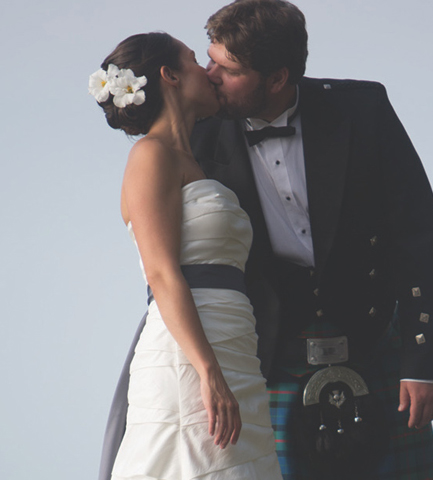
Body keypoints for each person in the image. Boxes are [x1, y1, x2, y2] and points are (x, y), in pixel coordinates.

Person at [100, 1, 433, 478]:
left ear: (276, 78)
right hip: (267, 351)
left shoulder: (359, 109)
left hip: (372, 338)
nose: (209, 75)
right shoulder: (193, 139)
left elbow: (417, 234)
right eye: (207, 60)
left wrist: (424, 361)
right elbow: (163, 267)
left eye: (227, 69)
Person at [90, 32, 282, 480]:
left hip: (235, 349)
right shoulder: (149, 155)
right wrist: (208, 371)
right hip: (190, 359)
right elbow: (160, 272)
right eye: (196, 60)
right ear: (170, 76)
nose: (209, 71)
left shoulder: (192, 160)